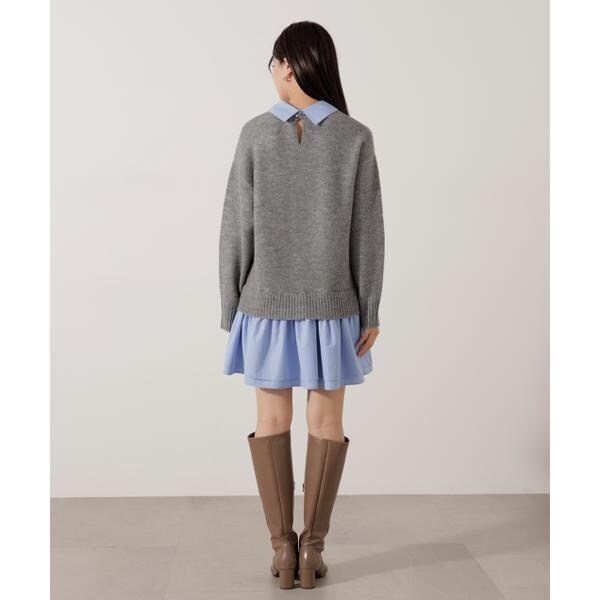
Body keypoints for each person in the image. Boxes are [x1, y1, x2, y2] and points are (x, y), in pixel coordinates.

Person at [218, 20, 385, 590]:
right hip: (334, 308)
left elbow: (235, 227)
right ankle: (312, 551)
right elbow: (368, 232)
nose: (272, 72)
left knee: (270, 422)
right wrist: (369, 308)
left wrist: (230, 304)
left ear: (289, 64)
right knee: (327, 423)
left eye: (273, 62)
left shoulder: (253, 134)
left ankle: (282, 553)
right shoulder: (355, 136)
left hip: (265, 306)